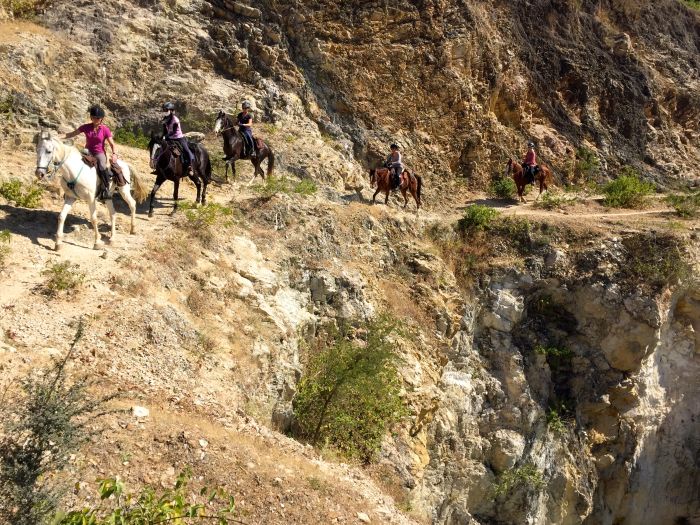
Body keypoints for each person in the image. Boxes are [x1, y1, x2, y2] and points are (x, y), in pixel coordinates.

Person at [63, 105, 117, 200]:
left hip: (99, 153)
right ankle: (71, 186)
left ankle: (105, 189)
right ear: (91, 117)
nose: (96, 119)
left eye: (98, 118)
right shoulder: (86, 127)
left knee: (102, 166)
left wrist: (114, 154)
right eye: (93, 117)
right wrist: (58, 136)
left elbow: (112, 144)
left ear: (101, 119)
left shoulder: (105, 129)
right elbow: (71, 134)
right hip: (87, 152)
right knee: (74, 163)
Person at [161, 102, 195, 175]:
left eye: (166, 110)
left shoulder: (175, 120)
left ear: (171, 110)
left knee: (186, 150)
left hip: (179, 138)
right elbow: (165, 130)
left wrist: (166, 136)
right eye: (163, 110)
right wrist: (162, 137)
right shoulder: (165, 119)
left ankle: (190, 166)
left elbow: (173, 131)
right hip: (169, 138)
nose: (164, 111)